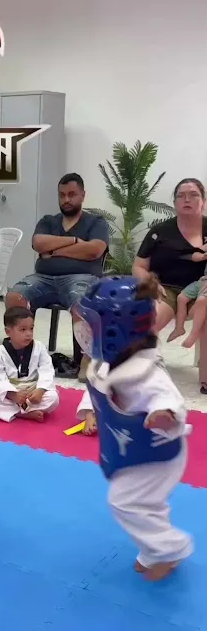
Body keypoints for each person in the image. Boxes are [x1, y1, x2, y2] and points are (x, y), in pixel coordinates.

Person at [73, 274, 193, 582]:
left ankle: (172, 548)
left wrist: (164, 414)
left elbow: (170, 400)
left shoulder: (147, 373)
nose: (83, 332)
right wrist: (89, 412)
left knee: (123, 501)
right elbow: (99, 391)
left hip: (157, 452)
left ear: (115, 330)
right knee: (147, 503)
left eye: (90, 325)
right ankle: (154, 552)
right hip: (135, 447)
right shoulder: (109, 365)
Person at [5, 173, 110, 380]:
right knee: (14, 296)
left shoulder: (96, 222)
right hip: (43, 278)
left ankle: (87, 359)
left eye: (72, 194)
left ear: (83, 195)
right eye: (62, 195)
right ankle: (22, 356)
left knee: (84, 302)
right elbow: (38, 243)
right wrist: (74, 241)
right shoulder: (48, 221)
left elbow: (94, 250)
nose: (66, 199)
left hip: (81, 277)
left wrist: (53, 250)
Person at [132, 177, 207, 389]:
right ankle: (144, 372)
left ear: (203, 201)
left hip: (201, 289)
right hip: (166, 289)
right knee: (150, 317)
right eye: (181, 196)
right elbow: (138, 266)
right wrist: (151, 283)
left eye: (193, 195)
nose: (187, 199)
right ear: (174, 202)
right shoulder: (160, 231)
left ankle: (205, 379)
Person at [0, 306, 59, 422]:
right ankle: (23, 413)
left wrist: (41, 390)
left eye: (31, 328)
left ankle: (13, 411)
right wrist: (12, 395)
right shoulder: (0, 352)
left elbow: (47, 369)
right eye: (23, 330)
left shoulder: (39, 347)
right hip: (11, 392)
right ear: (8, 332)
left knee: (53, 398)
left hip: (32, 390)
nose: (29, 334)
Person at [167, 274, 207, 348]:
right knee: (181, 298)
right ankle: (179, 328)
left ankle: (194, 335)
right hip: (202, 281)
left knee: (201, 301)